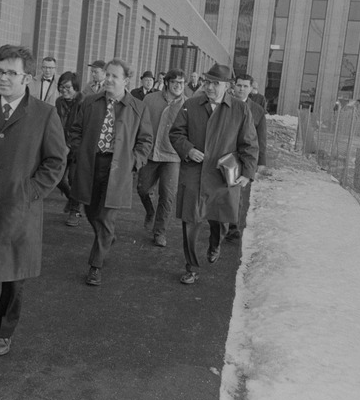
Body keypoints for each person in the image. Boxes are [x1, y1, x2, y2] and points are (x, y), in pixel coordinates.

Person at [0, 45, 67, 357]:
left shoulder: (44, 114)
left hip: (19, 212)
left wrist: (29, 192)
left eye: (11, 73)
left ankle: (4, 332)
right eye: (0, 71)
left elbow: (56, 162)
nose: (3, 78)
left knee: (13, 279)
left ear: (27, 78)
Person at [169, 64, 258, 285]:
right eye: (207, 82)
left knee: (219, 220)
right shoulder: (191, 105)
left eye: (215, 83)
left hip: (222, 176)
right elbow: (176, 133)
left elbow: (249, 144)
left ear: (227, 86)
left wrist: (246, 173)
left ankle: (215, 244)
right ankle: (191, 267)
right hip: (194, 174)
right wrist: (188, 149)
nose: (209, 87)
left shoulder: (239, 109)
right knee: (190, 221)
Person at [68, 59, 153, 287]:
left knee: (106, 216)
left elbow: (145, 140)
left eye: (115, 76)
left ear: (126, 80)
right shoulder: (89, 102)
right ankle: (107, 237)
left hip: (118, 169)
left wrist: (134, 162)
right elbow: (74, 130)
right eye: (107, 75)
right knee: (90, 210)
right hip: (90, 165)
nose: (109, 79)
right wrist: (80, 151)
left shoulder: (137, 107)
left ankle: (95, 266)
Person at [137, 70, 187, 247]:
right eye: (175, 82)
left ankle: (159, 231)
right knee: (142, 189)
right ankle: (150, 211)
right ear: (166, 83)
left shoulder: (187, 104)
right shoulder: (150, 99)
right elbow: (140, 123)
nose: (178, 86)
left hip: (172, 155)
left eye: (181, 83)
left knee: (167, 195)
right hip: (150, 152)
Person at [226, 74, 267, 242]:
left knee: (237, 193)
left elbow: (261, 137)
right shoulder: (225, 104)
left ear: (251, 89)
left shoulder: (257, 110)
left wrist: (261, 162)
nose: (241, 89)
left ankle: (233, 227)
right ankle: (221, 221)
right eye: (239, 85)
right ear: (233, 86)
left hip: (244, 157)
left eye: (245, 86)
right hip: (225, 154)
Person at [54, 70, 85, 227]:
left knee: (74, 179)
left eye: (67, 87)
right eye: (61, 87)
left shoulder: (83, 103)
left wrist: (70, 145)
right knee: (57, 178)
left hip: (78, 147)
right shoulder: (59, 102)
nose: (63, 90)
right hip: (61, 145)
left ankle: (75, 210)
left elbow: (82, 129)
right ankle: (71, 199)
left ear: (76, 88)